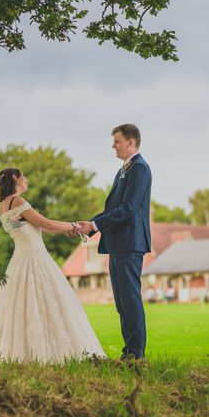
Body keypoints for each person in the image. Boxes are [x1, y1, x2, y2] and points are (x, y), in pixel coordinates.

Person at [0, 168, 106, 363]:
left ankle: (24, 354)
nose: (27, 180)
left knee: (23, 305)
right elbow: (47, 224)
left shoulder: (3, 204)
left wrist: (67, 229)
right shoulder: (17, 202)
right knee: (50, 301)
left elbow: (39, 226)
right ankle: (52, 354)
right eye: (24, 176)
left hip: (19, 259)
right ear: (16, 179)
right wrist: (75, 226)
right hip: (34, 258)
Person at [75, 124, 152, 361]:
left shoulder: (139, 168)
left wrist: (95, 226)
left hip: (130, 243)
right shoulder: (124, 170)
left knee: (130, 298)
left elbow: (127, 209)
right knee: (121, 300)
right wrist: (91, 224)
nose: (113, 146)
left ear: (131, 142)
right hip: (119, 243)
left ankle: (136, 354)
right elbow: (116, 208)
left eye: (117, 141)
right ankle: (128, 351)